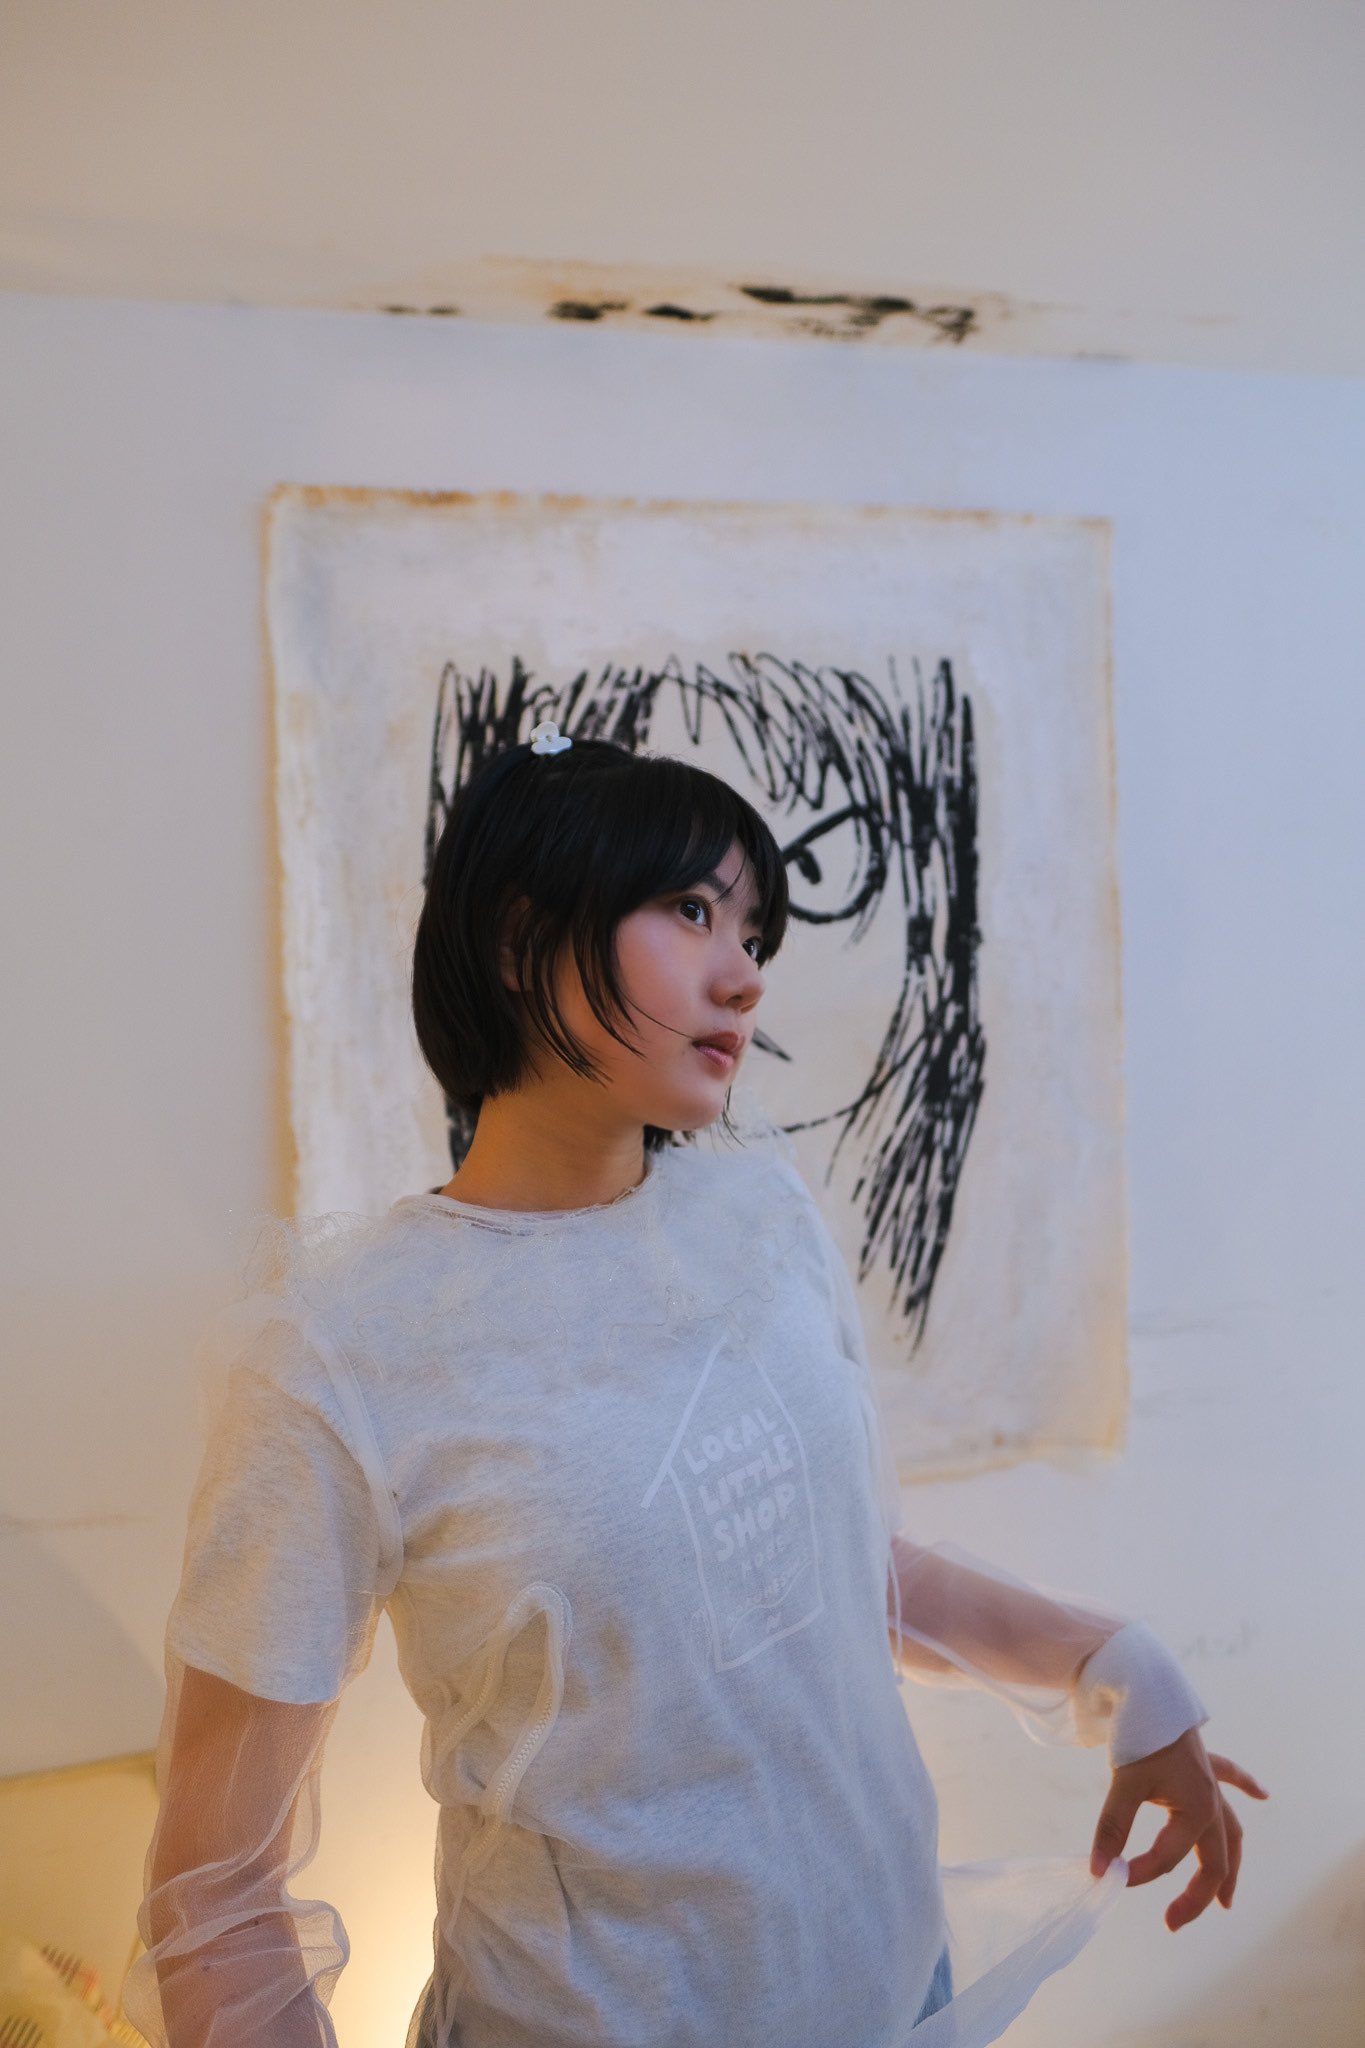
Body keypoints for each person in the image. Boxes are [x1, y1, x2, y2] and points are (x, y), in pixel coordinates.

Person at [124, 727, 1266, 2048]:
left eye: (752, 929)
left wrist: (1115, 1669)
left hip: (898, 1991)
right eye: (687, 910)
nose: (745, 974)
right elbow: (216, 1894)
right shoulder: (343, 1350)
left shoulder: (758, 1223)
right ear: (519, 941)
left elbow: (841, 1577)